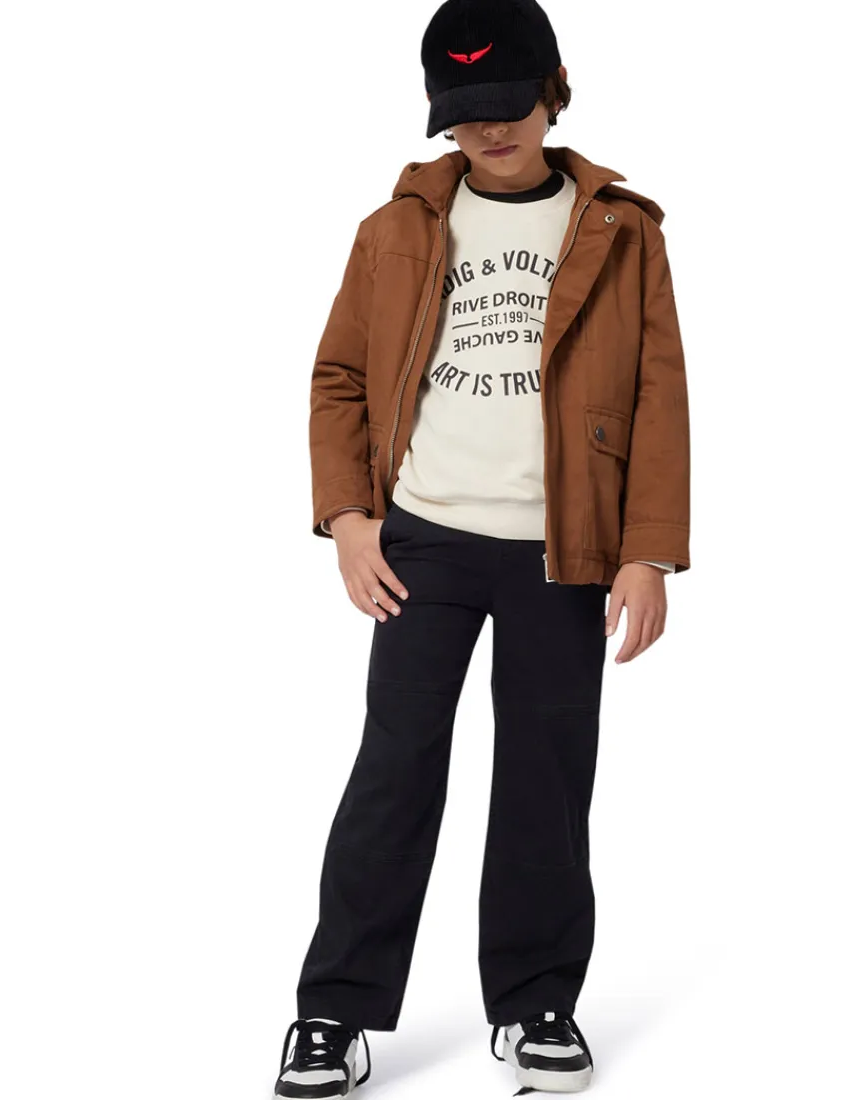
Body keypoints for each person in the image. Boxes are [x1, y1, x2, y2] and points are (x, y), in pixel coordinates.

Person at [273, 0, 690, 1094]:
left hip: (565, 549)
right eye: (463, 113)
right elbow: (339, 377)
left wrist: (647, 551)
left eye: (507, 105)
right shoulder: (396, 227)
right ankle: (333, 1009)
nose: (489, 130)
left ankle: (537, 1000)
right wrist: (349, 518)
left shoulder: (623, 229)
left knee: (547, 776)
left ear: (555, 90)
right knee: (394, 771)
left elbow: (659, 394)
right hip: (423, 539)